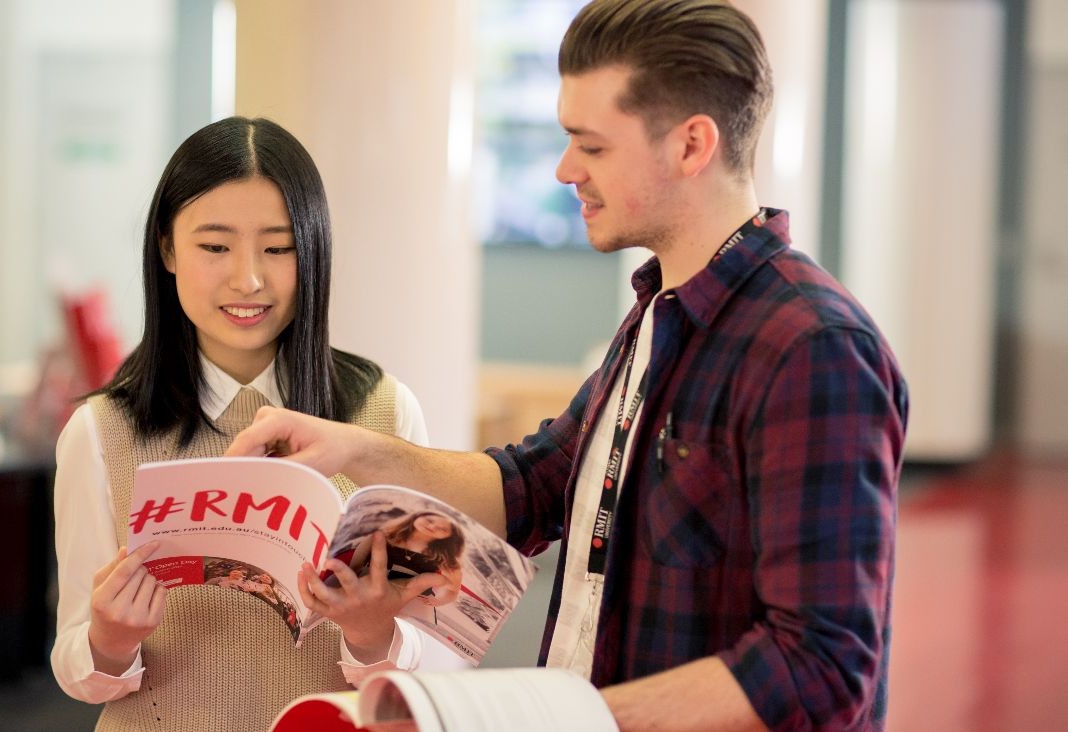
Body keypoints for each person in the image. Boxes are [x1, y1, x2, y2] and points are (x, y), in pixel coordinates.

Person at [229, 2, 908, 730]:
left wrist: (557, 719)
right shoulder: (655, 314)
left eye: (591, 145)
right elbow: (538, 484)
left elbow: (821, 666)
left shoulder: (812, 348)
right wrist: (357, 449)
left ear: (691, 145)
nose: (564, 170)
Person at [50, 116, 458, 731]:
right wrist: (109, 639)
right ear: (166, 248)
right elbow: (75, 666)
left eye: (279, 247)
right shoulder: (103, 430)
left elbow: (439, 664)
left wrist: (373, 637)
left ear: (313, 249)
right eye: (214, 247)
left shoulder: (384, 410)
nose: (249, 279)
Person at [335, 511, 465, 607]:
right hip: (367, 590)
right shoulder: (386, 532)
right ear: (418, 515)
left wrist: (438, 602)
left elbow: (453, 591)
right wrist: (350, 578)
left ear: (450, 536)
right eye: (429, 520)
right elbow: (360, 556)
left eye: (442, 529)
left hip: (409, 605)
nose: (431, 527)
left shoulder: (446, 559)